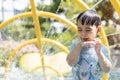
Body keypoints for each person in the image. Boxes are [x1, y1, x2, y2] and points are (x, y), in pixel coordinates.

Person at [66, 9, 112, 80]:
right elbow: (70, 63)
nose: (83, 34)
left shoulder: (101, 48)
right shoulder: (75, 46)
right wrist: (79, 47)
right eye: (80, 29)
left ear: (98, 30)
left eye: (88, 30)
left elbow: (107, 69)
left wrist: (99, 53)